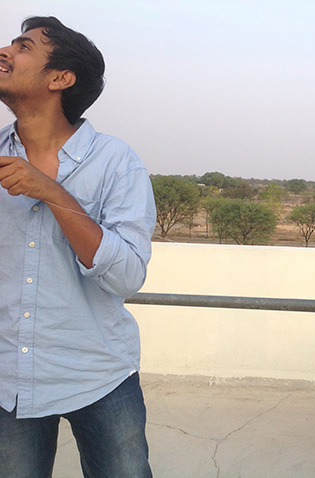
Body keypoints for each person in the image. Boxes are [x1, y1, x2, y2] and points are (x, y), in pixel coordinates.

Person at [0, 16, 156, 477]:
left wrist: (52, 191)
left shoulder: (117, 162)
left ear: (60, 78)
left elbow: (128, 275)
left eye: (23, 47)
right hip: (9, 379)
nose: (5, 51)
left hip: (100, 376)